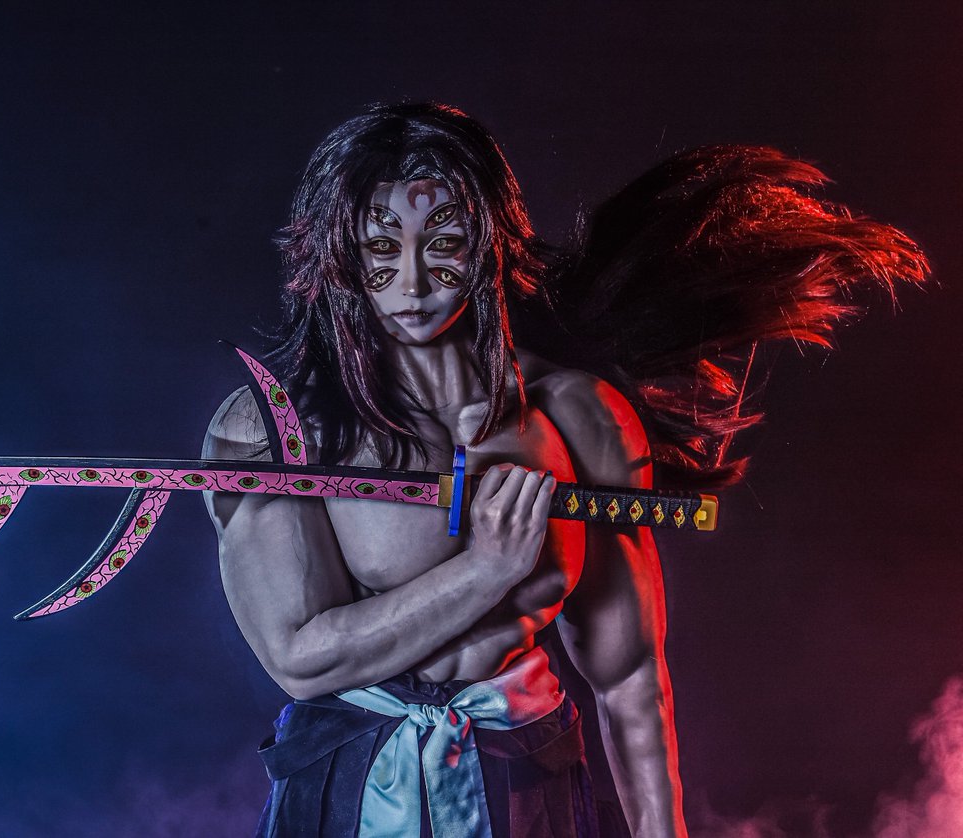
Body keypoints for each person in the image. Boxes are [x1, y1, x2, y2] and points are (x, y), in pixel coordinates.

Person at [202, 102, 926, 837]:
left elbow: (630, 675)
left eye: (443, 242)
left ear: (490, 242)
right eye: (380, 247)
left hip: (531, 778)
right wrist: (486, 570)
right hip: (352, 787)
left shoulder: (577, 417)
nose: (413, 282)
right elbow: (300, 660)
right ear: (338, 256)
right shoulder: (274, 430)